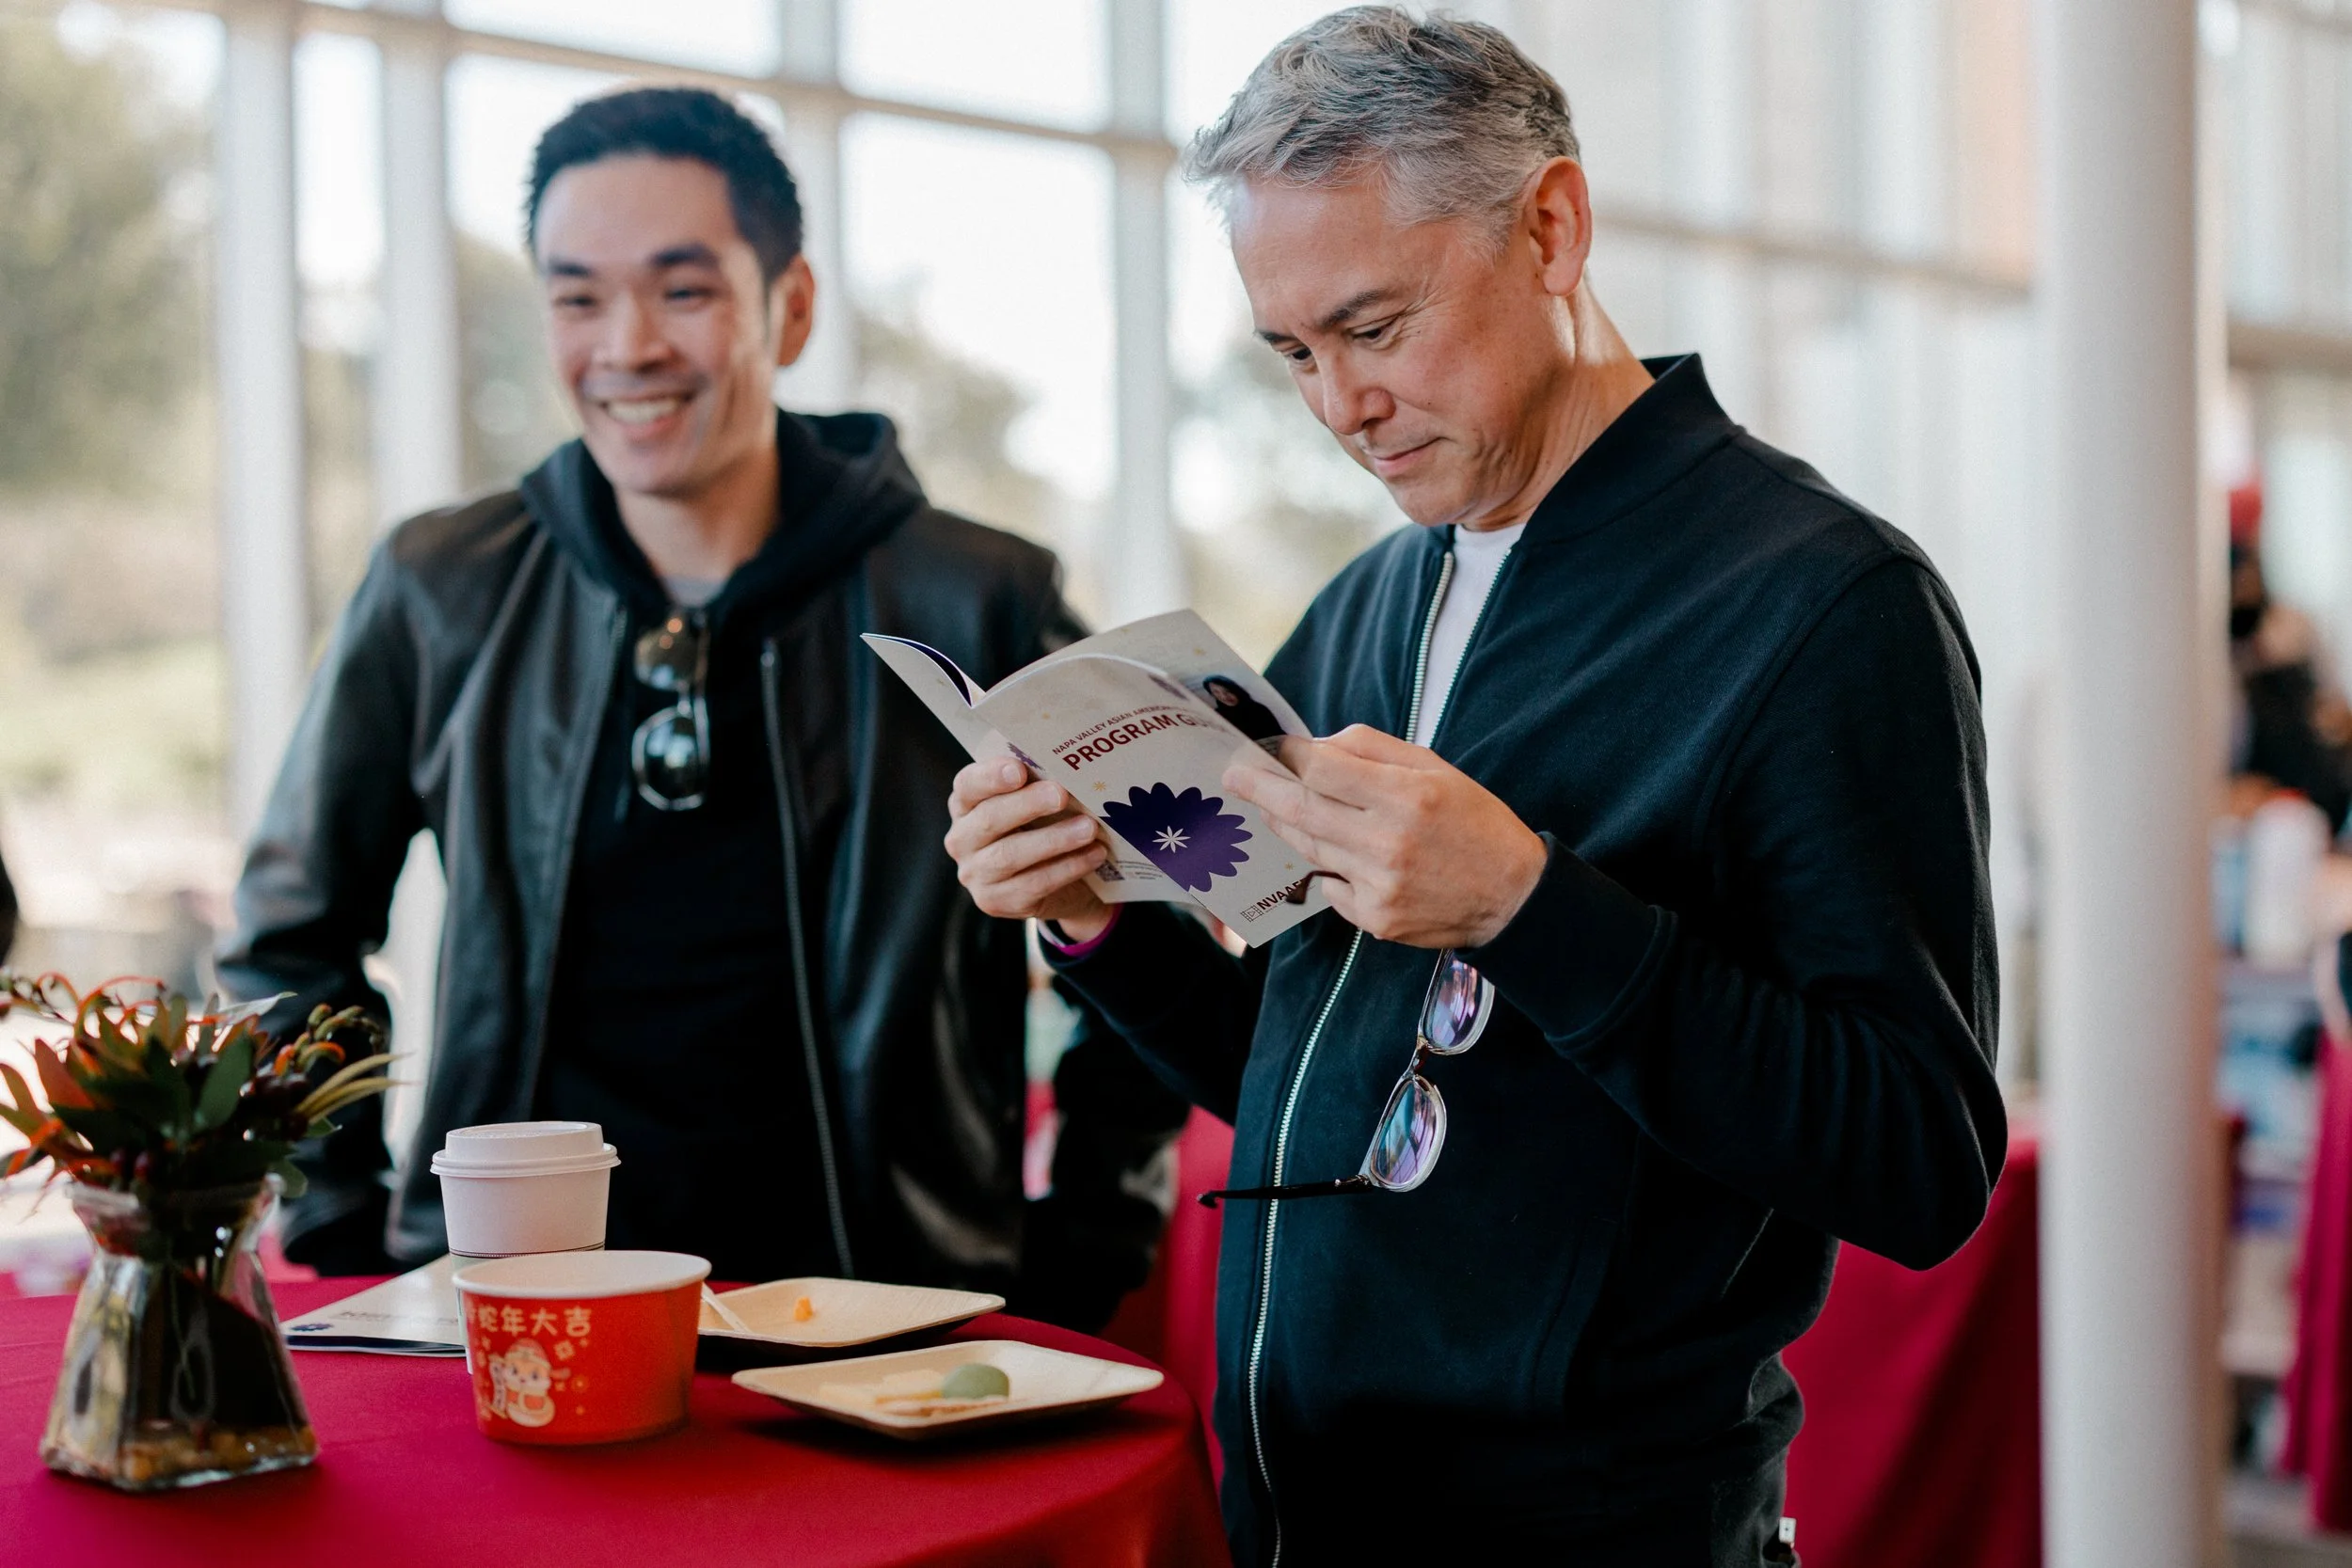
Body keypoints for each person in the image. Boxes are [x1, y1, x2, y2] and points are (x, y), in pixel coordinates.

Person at [941, 11, 2003, 1564]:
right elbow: (1315, 1081)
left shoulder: (1822, 606)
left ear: (1552, 228)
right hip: (1304, 1508)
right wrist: (1098, 920)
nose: (1337, 406)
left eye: (1375, 327)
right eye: (1294, 352)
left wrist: (1529, 905)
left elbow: (1921, 1161)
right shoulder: (1376, 599)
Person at [218, 87, 1187, 1329]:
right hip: (514, 1312)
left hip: (877, 1321)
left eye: (683, 290)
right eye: (578, 296)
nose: (626, 345)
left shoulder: (976, 595)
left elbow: (1144, 931)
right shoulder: (440, 587)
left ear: (789, 309)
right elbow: (291, 934)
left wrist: (1083, 1247)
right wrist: (342, 1225)